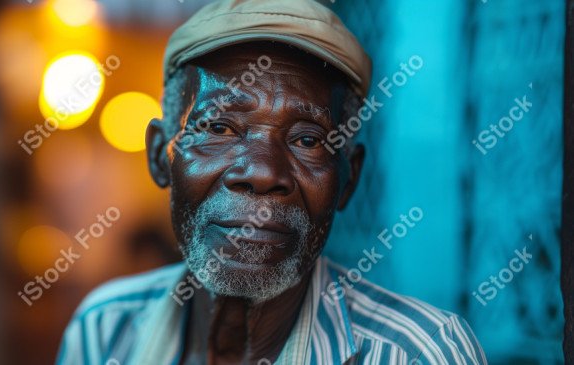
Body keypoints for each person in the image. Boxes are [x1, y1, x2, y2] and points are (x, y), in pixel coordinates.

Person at [57, 0, 486, 364]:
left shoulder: (418, 353)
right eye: (220, 128)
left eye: (306, 139)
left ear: (347, 179)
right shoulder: (103, 331)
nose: (263, 173)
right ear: (160, 157)